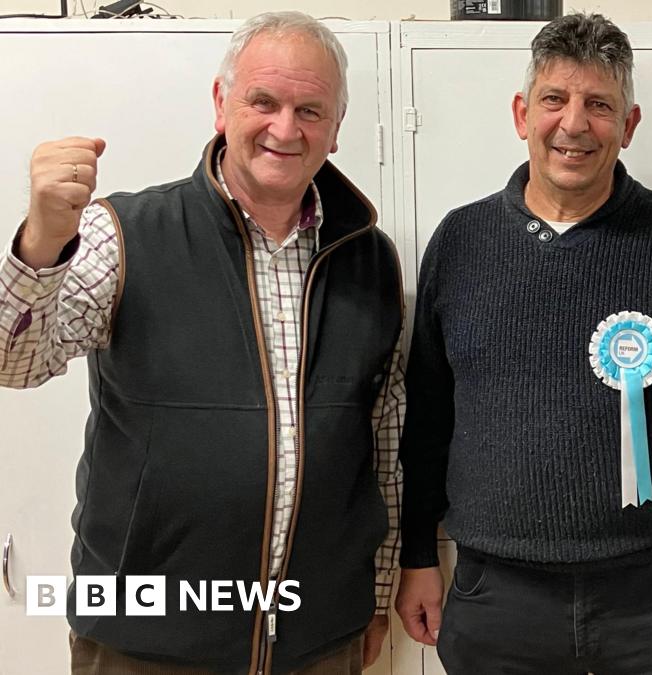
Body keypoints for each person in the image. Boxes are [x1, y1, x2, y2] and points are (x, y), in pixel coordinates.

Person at [395, 12, 652, 675]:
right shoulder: (461, 240)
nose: (574, 122)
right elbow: (428, 414)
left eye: (599, 105)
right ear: (522, 112)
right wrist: (417, 552)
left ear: (629, 124)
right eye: (555, 99)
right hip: (497, 596)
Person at [0, 11, 404, 674]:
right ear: (221, 104)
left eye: (310, 109)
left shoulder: (369, 259)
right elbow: (12, 362)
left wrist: (377, 593)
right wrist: (41, 242)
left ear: (335, 129)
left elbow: (382, 447)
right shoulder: (122, 233)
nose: (284, 128)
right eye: (263, 102)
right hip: (143, 642)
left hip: (317, 638)